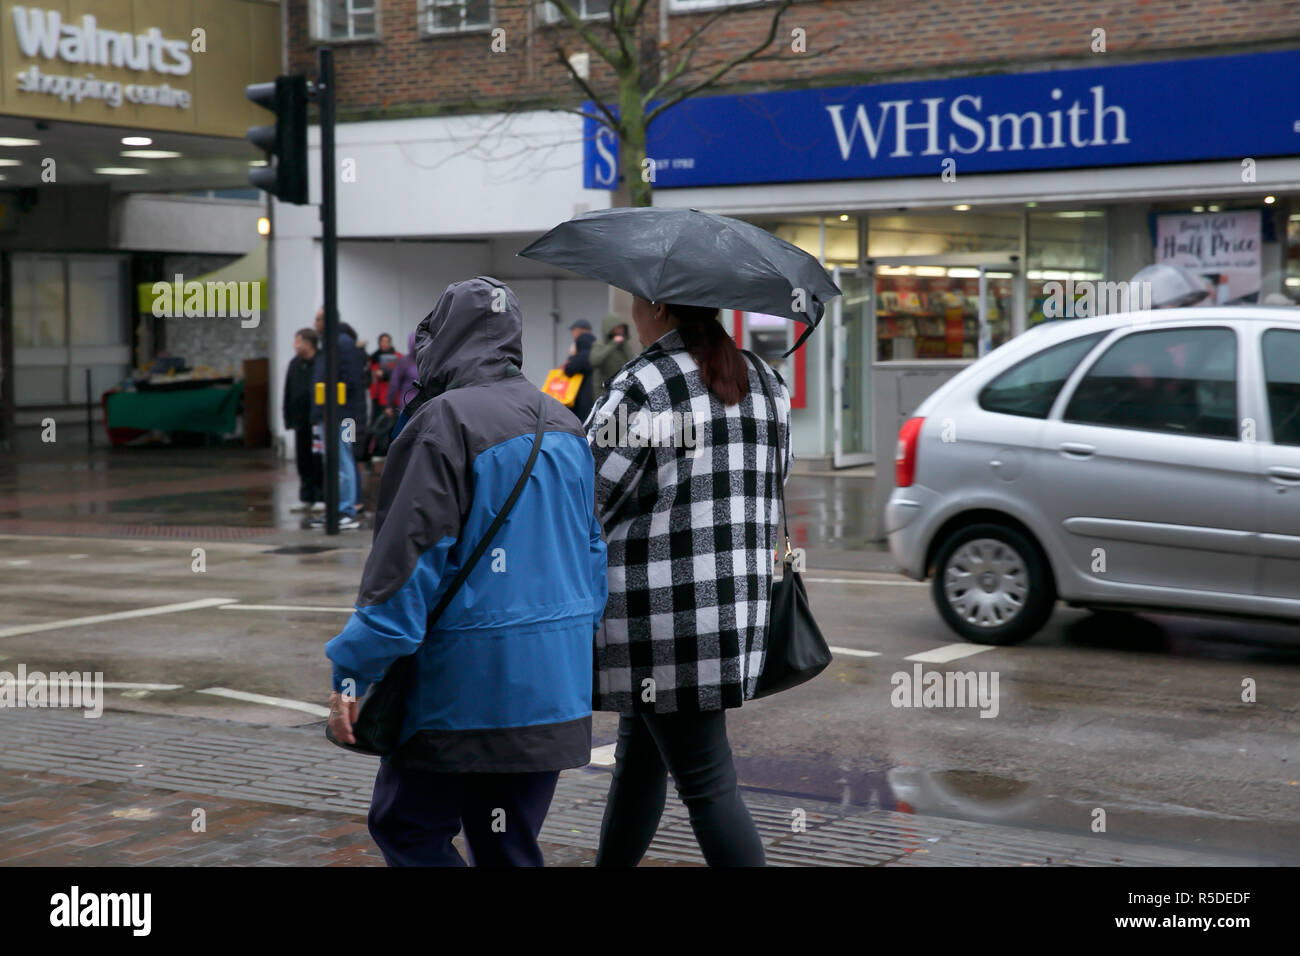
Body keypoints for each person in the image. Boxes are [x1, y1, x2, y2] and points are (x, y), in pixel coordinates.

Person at [326, 276, 607, 867]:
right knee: (507, 843)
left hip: (462, 691)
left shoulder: (442, 422)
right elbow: (591, 559)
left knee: (409, 827)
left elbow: (405, 571)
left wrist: (353, 672)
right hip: (552, 686)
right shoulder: (563, 423)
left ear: (441, 339)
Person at [586, 297, 791, 868]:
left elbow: (584, 493)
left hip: (658, 617)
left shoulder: (644, 383)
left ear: (656, 305)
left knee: (705, 781)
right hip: (735, 607)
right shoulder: (767, 381)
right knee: (640, 760)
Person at [310, 308, 366, 531]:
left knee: (342, 461)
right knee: (333, 463)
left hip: (341, 415)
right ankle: (335, 508)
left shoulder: (341, 344)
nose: (314, 323)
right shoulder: (330, 344)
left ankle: (346, 510)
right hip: (330, 413)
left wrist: (333, 405)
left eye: (317, 319)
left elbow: (351, 380)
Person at [283, 328, 324, 512]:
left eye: (297, 341)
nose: (294, 345)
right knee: (303, 459)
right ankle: (305, 497)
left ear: (308, 344)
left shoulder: (321, 363)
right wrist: (288, 417)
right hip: (300, 421)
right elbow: (288, 391)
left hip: (317, 420)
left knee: (318, 459)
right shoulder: (294, 364)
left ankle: (320, 496)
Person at [589, 313, 637, 405]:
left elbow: (632, 362)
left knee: (622, 417)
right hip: (603, 391)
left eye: (622, 328)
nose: (621, 330)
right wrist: (613, 344)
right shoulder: (600, 344)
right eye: (617, 327)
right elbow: (595, 361)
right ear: (609, 329)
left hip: (622, 390)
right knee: (604, 418)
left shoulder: (624, 345)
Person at [563, 329, 597, 423]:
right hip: (596, 394)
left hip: (582, 398)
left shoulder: (584, 356)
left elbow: (569, 369)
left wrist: (572, 356)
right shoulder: (596, 355)